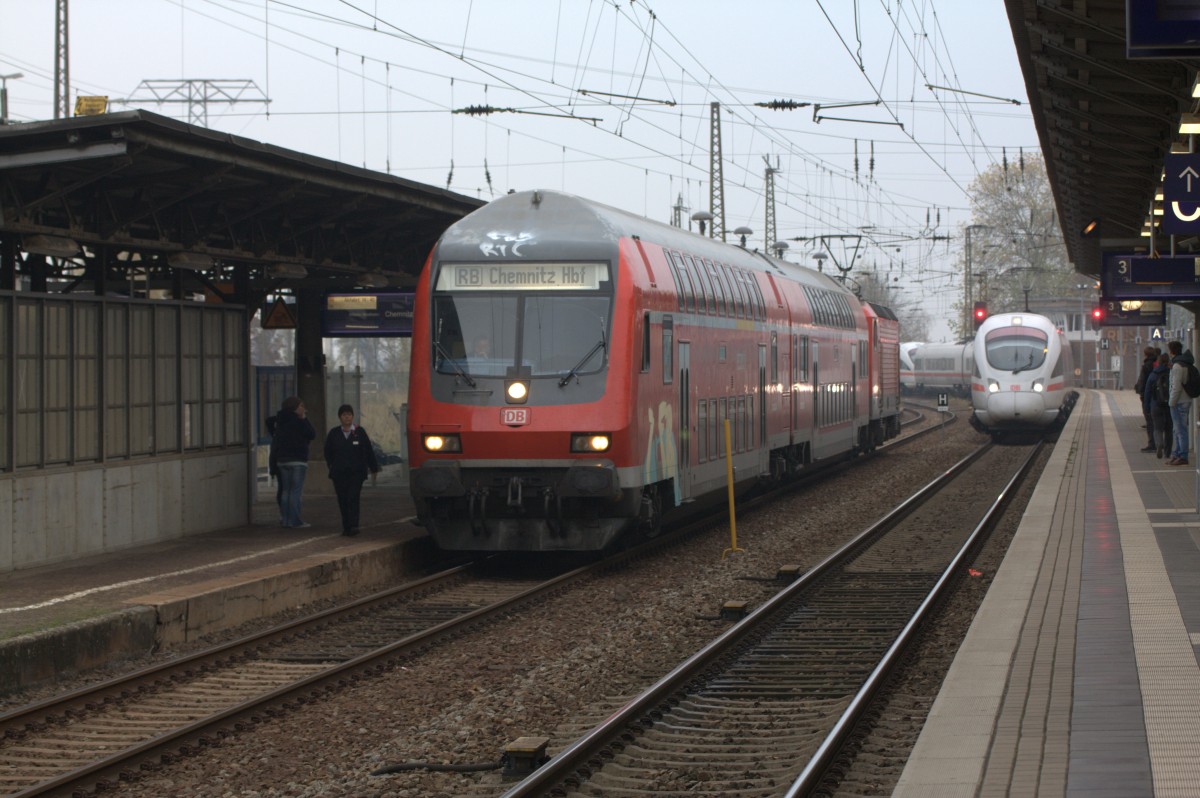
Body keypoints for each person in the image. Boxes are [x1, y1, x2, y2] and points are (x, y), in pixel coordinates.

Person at [324, 404, 381, 536]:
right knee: (342, 499)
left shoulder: (359, 432)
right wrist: (331, 465)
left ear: (353, 416)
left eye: (349, 414)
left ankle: (354, 525)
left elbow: (368, 450)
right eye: (344, 415)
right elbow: (328, 452)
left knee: (353, 497)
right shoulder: (334, 433)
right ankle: (346, 526)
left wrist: (373, 467)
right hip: (339, 473)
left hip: (356, 473)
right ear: (340, 417)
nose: (347, 417)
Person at [273, 396, 317, 527]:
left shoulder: (280, 421)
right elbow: (312, 434)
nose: (304, 409)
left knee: (286, 491)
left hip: (282, 460)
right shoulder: (298, 421)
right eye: (301, 406)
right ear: (295, 408)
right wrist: (304, 418)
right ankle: (295, 521)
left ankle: (285, 519)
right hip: (297, 460)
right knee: (295, 492)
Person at [1167, 340, 1194, 466]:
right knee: (1177, 429)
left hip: (1179, 402)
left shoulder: (1178, 366)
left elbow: (1176, 387)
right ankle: (1176, 453)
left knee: (1180, 429)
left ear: (1171, 351)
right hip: (1185, 400)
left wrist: (1171, 402)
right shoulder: (1184, 363)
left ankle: (1182, 455)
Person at [1145, 351, 1172, 459]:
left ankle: (1159, 443)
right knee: (1169, 429)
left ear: (1159, 362)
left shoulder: (1153, 374)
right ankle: (1168, 452)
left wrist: (1147, 407)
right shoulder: (1171, 373)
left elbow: (1147, 392)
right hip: (1169, 404)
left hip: (1156, 404)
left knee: (1157, 427)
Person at [1134, 346, 1157, 452]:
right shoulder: (1157, 363)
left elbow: (1143, 380)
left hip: (1147, 395)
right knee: (1156, 420)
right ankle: (1160, 443)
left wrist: (1140, 390)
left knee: (1149, 420)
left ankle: (1152, 444)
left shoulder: (1146, 365)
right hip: (1157, 396)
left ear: (1145, 354)